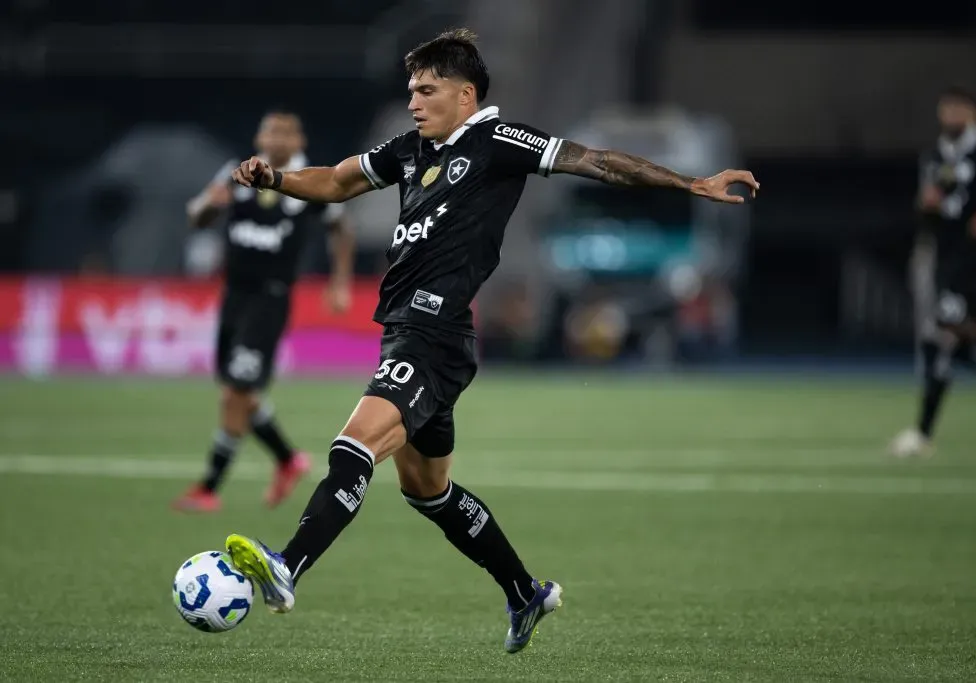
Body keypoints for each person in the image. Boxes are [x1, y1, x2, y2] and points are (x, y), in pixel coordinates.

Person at [220, 29, 758, 652]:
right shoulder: (409, 150)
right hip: (413, 331)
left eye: (427, 91)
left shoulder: (499, 141)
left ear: (465, 94)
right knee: (428, 491)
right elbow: (338, 181)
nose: (414, 102)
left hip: (433, 332)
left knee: (355, 444)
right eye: (411, 91)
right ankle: (526, 592)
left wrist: (690, 184)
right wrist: (276, 179)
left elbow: (598, 161)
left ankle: (288, 565)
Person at [173, 110, 356, 511]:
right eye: (270, 131)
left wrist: (340, 281)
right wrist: (210, 206)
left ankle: (209, 488)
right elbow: (196, 217)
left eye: (285, 133)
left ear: (299, 141)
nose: (276, 139)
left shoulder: (306, 180)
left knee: (237, 392)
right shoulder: (236, 173)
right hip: (234, 295)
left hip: (270, 298)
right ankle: (289, 460)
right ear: (259, 137)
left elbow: (340, 228)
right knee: (238, 390)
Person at [890, 87, 976, 457]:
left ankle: (922, 435)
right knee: (966, 350)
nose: (951, 116)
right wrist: (927, 203)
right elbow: (926, 203)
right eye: (946, 109)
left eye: (958, 109)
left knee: (942, 334)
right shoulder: (935, 156)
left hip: (973, 262)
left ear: (973, 114)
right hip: (944, 258)